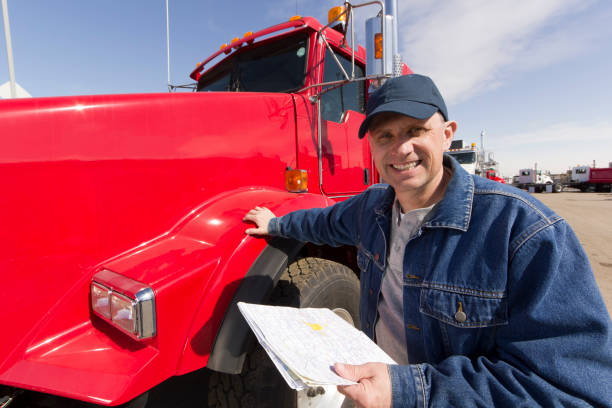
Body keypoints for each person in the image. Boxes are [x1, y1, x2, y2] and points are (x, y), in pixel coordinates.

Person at [243, 74, 612, 407]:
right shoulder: (373, 208)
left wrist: (408, 391)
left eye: (415, 131)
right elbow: (321, 222)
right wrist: (275, 224)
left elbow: (569, 390)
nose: (400, 149)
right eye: (385, 136)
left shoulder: (525, 231)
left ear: (447, 133)